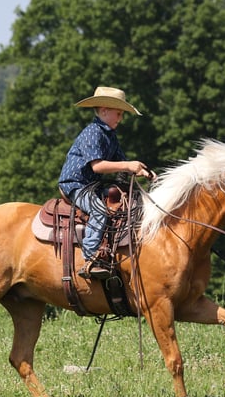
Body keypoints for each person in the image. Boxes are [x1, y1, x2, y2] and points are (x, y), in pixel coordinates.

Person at [58, 86, 154, 279]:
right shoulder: (93, 132)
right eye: (118, 113)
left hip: (92, 186)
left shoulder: (110, 135)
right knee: (100, 211)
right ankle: (90, 258)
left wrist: (143, 171)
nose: (121, 118)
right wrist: (128, 165)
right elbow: (98, 166)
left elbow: (121, 163)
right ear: (104, 111)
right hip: (75, 184)